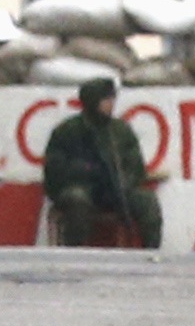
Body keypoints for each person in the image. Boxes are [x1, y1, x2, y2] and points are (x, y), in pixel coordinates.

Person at [43, 78, 163, 248]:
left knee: (147, 200)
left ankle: (151, 252)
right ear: (93, 101)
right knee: (77, 199)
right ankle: (74, 253)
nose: (111, 104)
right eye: (106, 100)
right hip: (81, 188)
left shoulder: (120, 131)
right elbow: (53, 171)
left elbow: (136, 166)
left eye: (112, 99)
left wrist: (123, 183)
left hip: (114, 191)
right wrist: (84, 172)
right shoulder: (68, 131)